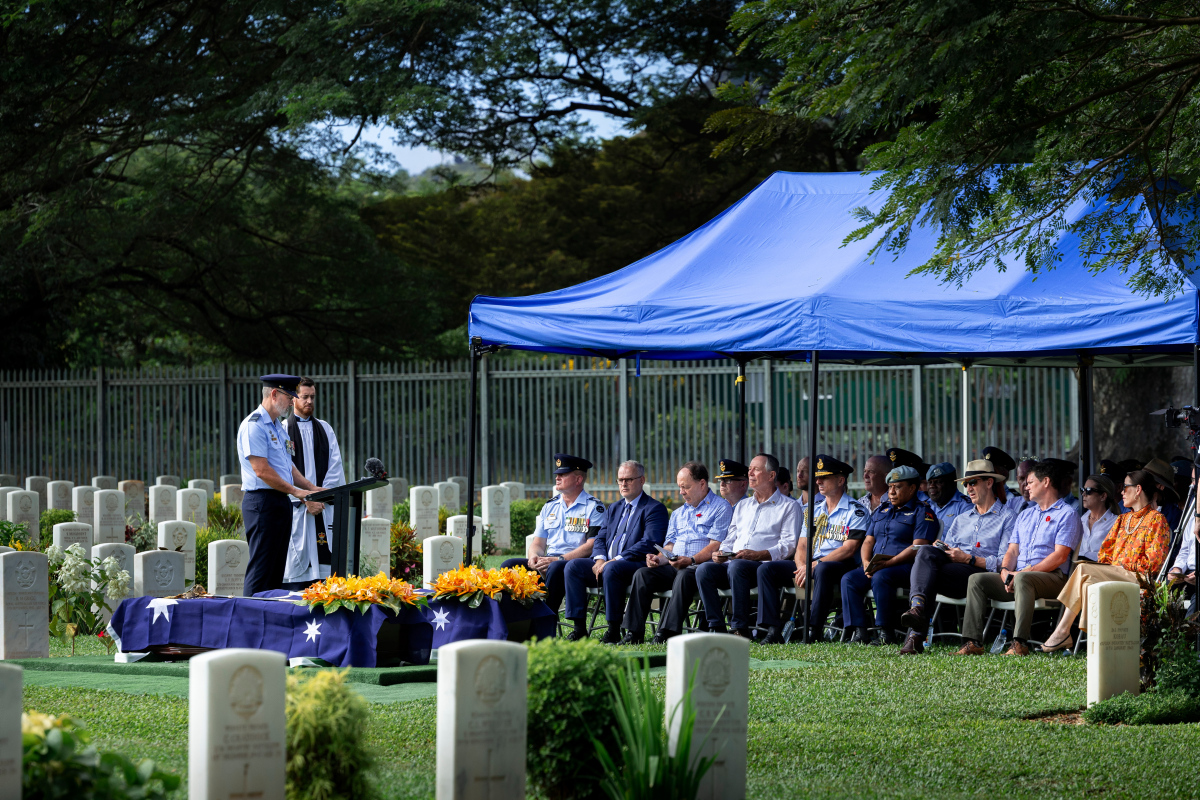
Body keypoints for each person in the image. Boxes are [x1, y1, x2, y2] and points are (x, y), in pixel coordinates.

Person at [955, 461, 1082, 656]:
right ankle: (973, 642)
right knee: (977, 580)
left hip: (1053, 578)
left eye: (1030, 482)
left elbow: (1059, 556)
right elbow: (1012, 551)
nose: (1025, 486)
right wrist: (1005, 571)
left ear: (1046, 482)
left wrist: (1024, 572)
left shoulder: (1067, 514)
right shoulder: (1025, 515)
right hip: (1020, 576)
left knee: (1023, 579)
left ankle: (1019, 643)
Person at [1040, 469, 1172, 651]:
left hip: (1139, 578)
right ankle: (1093, 643)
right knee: (1087, 582)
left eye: (1126, 487)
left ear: (1138, 489)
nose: (1122, 492)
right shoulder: (1122, 519)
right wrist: (1115, 565)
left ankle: (1063, 632)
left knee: (1083, 569)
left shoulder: (1157, 520)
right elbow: (1104, 554)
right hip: (1116, 573)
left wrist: (1122, 564)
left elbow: (1154, 564)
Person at [896, 459, 1015, 654]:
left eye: (973, 482)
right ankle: (916, 610)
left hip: (981, 574)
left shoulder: (1007, 517)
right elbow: (948, 549)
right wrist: (944, 549)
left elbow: (1005, 561)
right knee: (927, 551)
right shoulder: (962, 519)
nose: (968, 488)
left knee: (927, 575)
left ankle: (915, 635)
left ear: (989, 482)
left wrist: (968, 558)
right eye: (966, 484)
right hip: (953, 572)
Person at [758, 455, 867, 643]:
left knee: (823, 569)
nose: (818, 481)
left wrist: (815, 564)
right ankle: (772, 629)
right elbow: (801, 545)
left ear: (841, 480)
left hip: (839, 565)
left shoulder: (855, 510)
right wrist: (802, 566)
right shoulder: (813, 510)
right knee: (767, 569)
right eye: (818, 477)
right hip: (811, 564)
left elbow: (849, 549)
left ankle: (813, 629)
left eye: (824, 477)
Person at [621, 461, 733, 644]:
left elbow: (716, 545)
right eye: (680, 487)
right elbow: (670, 547)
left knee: (684, 575)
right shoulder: (679, 513)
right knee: (643, 573)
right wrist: (658, 558)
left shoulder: (721, 507)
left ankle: (666, 632)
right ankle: (634, 633)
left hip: (700, 567)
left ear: (702, 484)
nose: (681, 492)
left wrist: (690, 560)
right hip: (677, 565)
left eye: (686, 487)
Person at [695, 453, 799, 638]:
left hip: (764, 566)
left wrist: (758, 555)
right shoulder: (743, 506)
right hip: (736, 564)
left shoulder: (789, 506)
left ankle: (740, 628)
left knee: (738, 566)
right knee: (704, 570)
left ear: (771, 475)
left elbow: (788, 545)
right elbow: (730, 539)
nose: (750, 473)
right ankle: (717, 627)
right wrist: (721, 553)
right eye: (749, 469)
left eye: (756, 469)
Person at [563, 460, 668, 642]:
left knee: (613, 569)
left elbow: (650, 542)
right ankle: (579, 629)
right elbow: (600, 538)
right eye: (620, 480)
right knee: (573, 567)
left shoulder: (654, 508)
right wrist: (599, 560)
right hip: (608, 564)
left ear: (642, 480)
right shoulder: (614, 508)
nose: (623, 484)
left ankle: (613, 629)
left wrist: (617, 559)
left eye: (628, 479)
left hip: (634, 566)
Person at [237, 374, 323, 596]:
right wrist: (297, 493)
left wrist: (311, 488)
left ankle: (270, 622)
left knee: (276, 573)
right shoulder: (254, 425)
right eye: (289, 396)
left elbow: (288, 467)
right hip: (262, 503)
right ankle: (250, 623)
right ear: (274, 394)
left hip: (279, 502)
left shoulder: (277, 426)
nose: (292, 401)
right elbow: (261, 470)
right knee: (261, 571)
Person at [841, 465, 937, 644]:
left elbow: (919, 546)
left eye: (897, 487)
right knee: (849, 579)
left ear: (912, 488)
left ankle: (886, 633)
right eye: (890, 487)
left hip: (905, 567)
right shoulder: (882, 510)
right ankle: (859, 631)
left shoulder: (922, 512)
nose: (891, 492)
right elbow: (868, 540)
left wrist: (889, 563)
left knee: (881, 578)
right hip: (877, 565)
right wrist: (866, 562)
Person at [500, 454, 604, 617]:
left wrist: (560, 559)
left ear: (578, 480)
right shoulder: (550, 506)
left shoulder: (593, 507)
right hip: (550, 561)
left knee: (555, 567)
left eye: (563, 474)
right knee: (510, 564)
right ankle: (516, 617)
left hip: (574, 564)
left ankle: (546, 618)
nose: (557, 477)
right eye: (557, 474)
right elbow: (538, 543)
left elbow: (592, 544)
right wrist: (534, 557)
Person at [282, 377, 345, 589]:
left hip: (323, 508)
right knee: (299, 579)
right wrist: (306, 500)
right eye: (304, 396)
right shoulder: (282, 430)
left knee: (326, 576)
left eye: (312, 397)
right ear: (293, 399)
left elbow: (335, 468)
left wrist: (320, 498)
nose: (309, 401)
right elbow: (282, 471)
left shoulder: (325, 430)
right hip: (298, 510)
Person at [1077, 473, 1120, 562]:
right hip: (1078, 569)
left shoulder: (1116, 522)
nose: (1084, 494)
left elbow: (1115, 555)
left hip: (1100, 571)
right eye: (1083, 490)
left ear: (1103, 496)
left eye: (1089, 490)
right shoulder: (1081, 520)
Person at [926, 462, 972, 530]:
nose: (931, 486)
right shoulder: (925, 506)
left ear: (952, 483)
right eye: (929, 482)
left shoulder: (965, 506)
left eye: (938, 482)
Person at [1143, 457, 1182, 531]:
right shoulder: (1134, 509)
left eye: (1146, 481)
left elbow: (1171, 541)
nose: (1140, 485)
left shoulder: (1174, 515)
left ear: (1160, 486)